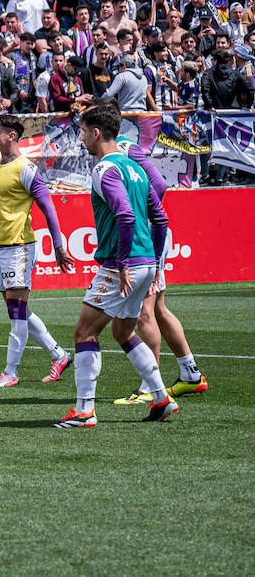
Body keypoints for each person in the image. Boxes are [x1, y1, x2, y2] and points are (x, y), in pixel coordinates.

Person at [54, 103, 177, 429]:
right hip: (145, 263)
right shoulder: (134, 167)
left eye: (82, 132)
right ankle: (162, 398)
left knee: (84, 332)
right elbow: (160, 217)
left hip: (122, 266)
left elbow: (123, 214)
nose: (81, 139)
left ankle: (84, 412)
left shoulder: (104, 169)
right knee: (122, 331)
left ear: (96, 133)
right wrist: (153, 262)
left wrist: (122, 263)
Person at [109, 114, 208, 404]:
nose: (82, 134)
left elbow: (160, 186)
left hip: (149, 239)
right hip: (149, 237)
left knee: (144, 312)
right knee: (159, 309)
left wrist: (142, 215)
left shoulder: (126, 149)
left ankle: (150, 387)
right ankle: (190, 375)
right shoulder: (116, 153)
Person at [0, 113, 74, 388]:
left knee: (17, 310)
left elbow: (48, 207)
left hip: (20, 246)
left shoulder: (26, 168)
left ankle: (10, 372)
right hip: (3, 247)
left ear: (11, 136)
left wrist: (58, 244)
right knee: (15, 308)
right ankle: (59, 355)